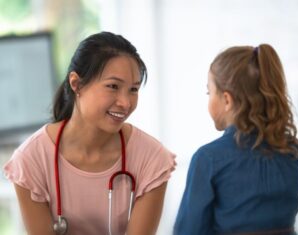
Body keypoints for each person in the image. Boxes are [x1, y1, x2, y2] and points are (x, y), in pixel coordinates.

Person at [3, 31, 176, 235]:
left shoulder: (152, 159)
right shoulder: (30, 160)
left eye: (133, 89)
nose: (126, 102)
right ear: (76, 84)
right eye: (113, 86)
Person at [173, 44, 298, 235]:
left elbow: (188, 231)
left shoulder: (208, 158)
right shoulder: (293, 150)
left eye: (209, 93)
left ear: (227, 99)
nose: (208, 99)